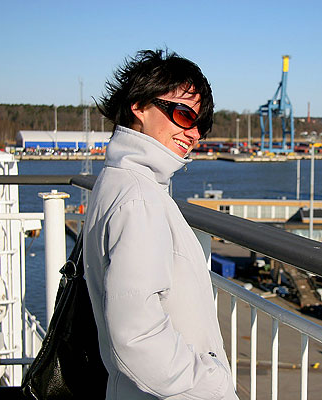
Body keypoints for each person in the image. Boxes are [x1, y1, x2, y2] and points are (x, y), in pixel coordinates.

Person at [83, 49, 239, 400]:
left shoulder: (117, 180)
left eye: (201, 125)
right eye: (184, 115)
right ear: (139, 106)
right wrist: (213, 385)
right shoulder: (139, 198)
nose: (194, 133)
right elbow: (136, 335)